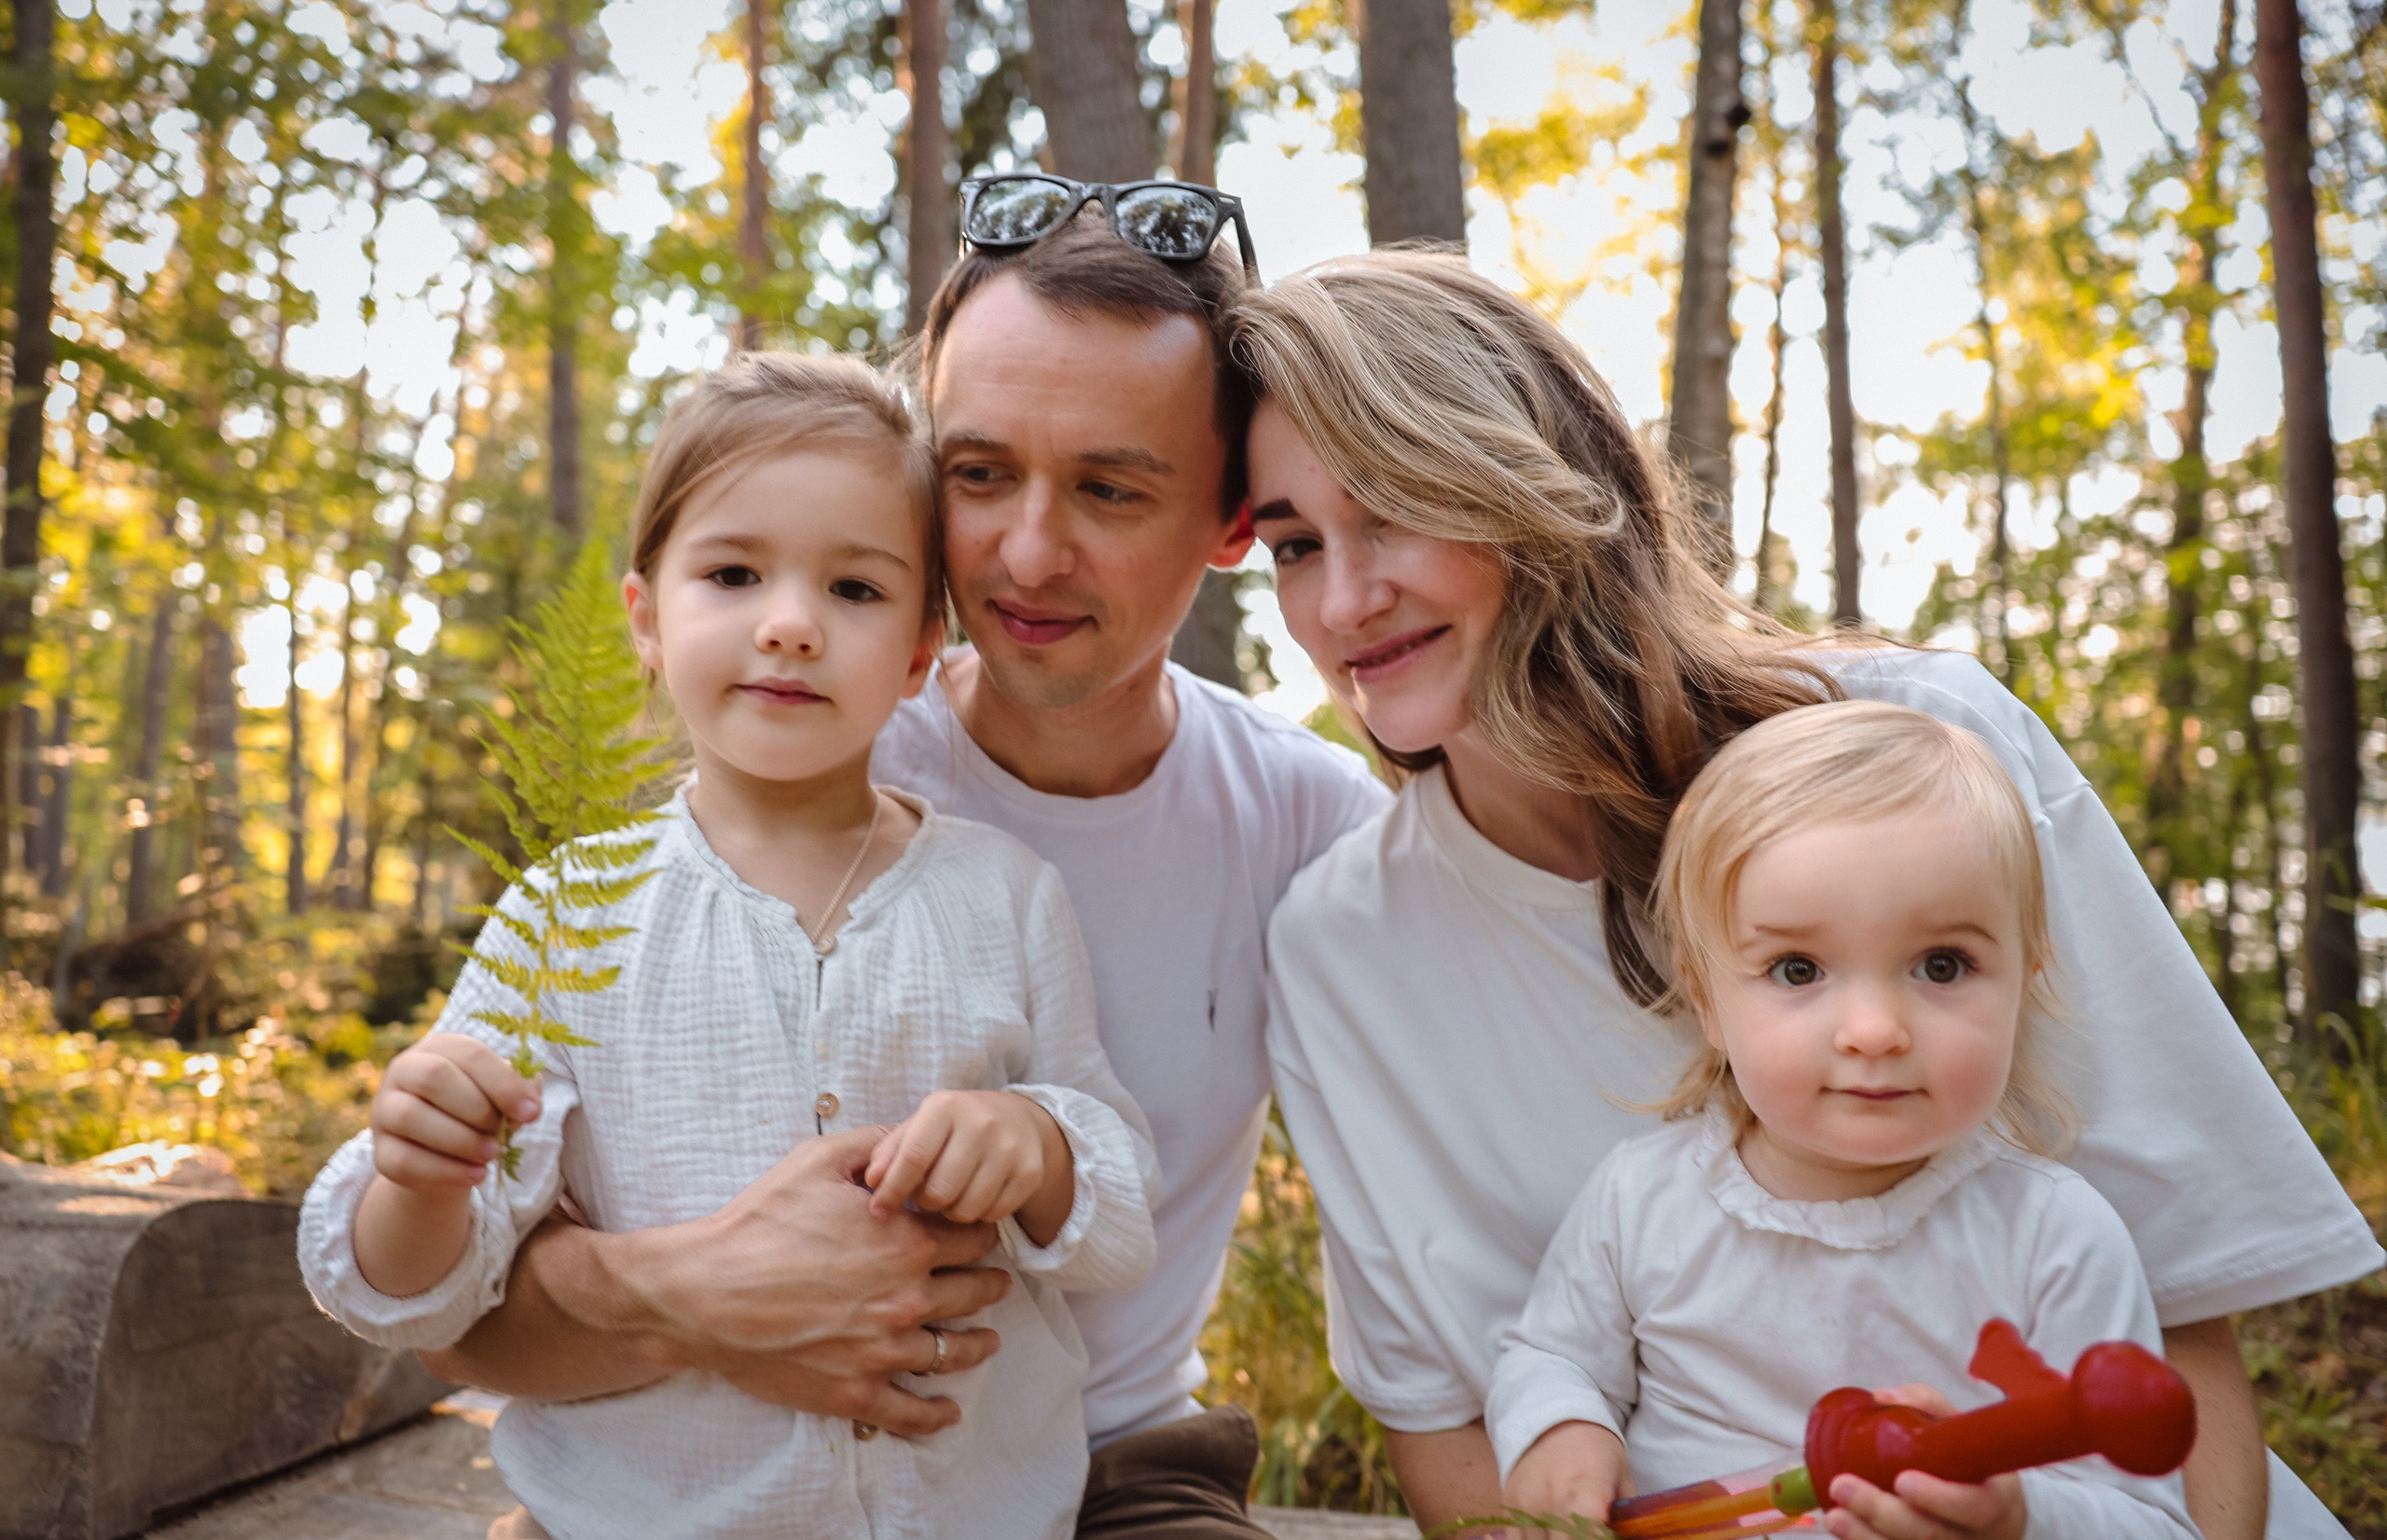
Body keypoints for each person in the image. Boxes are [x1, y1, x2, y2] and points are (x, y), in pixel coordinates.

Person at [1236, 250, 2382, 1540]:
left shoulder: (1930, 747)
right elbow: (1450, 1430)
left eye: (1394, 506)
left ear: (1535, 486)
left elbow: (2177, 1332)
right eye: (1292, 545)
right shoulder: (1339, 944)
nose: (1340, 600)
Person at [416, 188, 1389, 1538]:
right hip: (714, 1455)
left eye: (1110, 486)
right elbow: (457, 1324)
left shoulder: (1312, 826)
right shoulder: (784, 763)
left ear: (1233, 524)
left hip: (1107, 1465)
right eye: (981, 473)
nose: (1029, 552)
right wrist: (702, 1299)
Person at [297, 352, 1160, 1540]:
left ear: (919, 653)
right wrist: (418, 1175)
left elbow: (1119, 1216)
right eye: (734, 572)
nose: (792, 626)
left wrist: (1039, 1142)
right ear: (647, 619)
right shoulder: (571, 910)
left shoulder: (1004, 895)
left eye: (856, 591)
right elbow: (404, 1296)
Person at [1489, 701, 2197, 1540]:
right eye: (1798, 969)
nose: (1873, 1030)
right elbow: (1551, 1356)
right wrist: (1562, 1428)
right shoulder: (1642, 1201)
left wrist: (2020, 1518)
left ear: (2025, 981)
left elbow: (2151, 1521)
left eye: (1943, 964)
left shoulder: (2052, 1235)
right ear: (1707, 999)